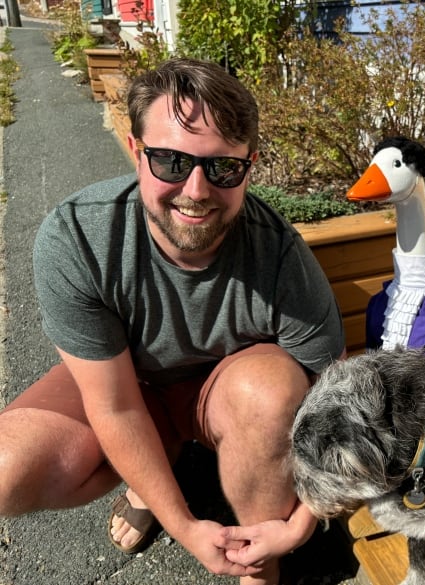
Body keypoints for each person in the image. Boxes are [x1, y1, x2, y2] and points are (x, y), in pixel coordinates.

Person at [0, 57, 345, 584]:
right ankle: (154, 479)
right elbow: (113, 404)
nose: (198, 190)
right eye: (170, 162)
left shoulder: (280, 257)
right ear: (137, 152)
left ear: (249, 165)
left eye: (223, 168)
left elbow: (339, 410)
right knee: (7, 470)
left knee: (272, 392)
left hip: (227, 393)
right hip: (127, 383)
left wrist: (297, 528)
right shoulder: (78, 238)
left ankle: (258, 561)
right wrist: (182, 524)